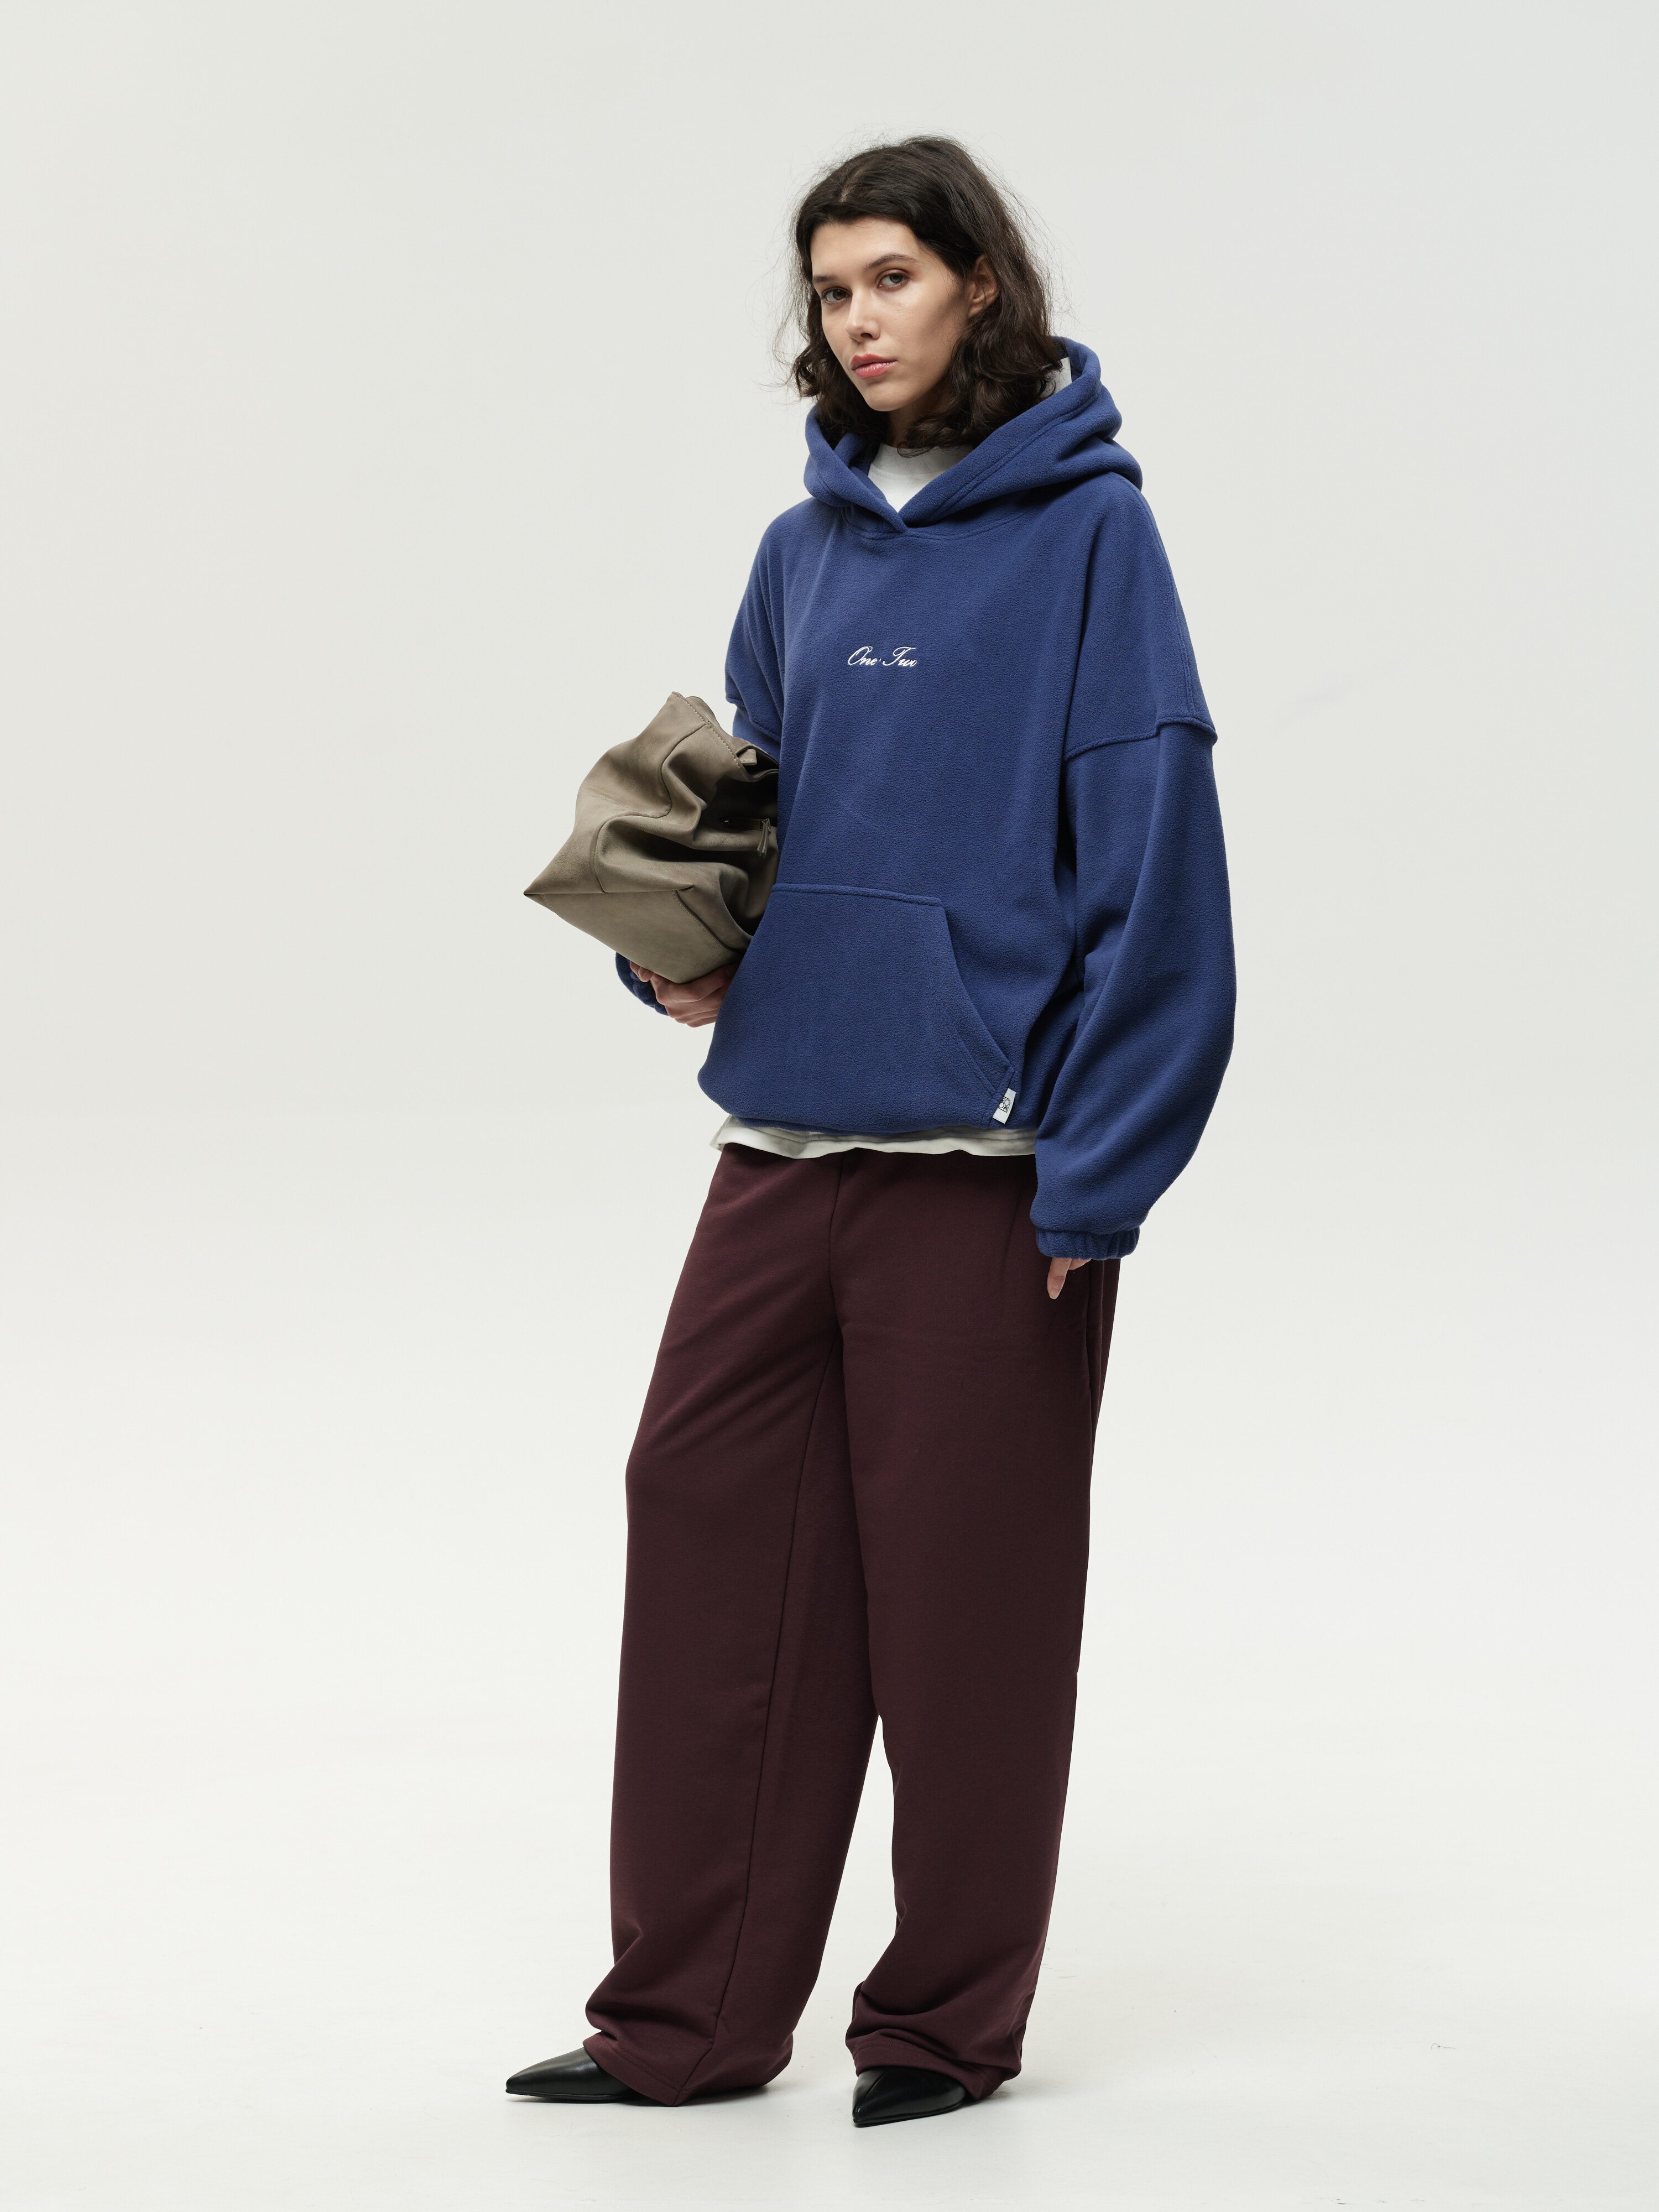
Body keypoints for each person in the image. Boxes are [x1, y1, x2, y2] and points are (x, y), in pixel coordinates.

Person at [508, 135, 1234, 2129]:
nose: (858, 320)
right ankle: (686, 2022)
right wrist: (668, 956)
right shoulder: (801, 547)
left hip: (992, 1180)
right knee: (706, 1549)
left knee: (967, 1605)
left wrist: (1102, 1177)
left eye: (893, 277)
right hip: (784, 1143)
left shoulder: (1093, 540)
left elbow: (1159, 868)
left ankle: (940, 2026)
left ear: (980, 283)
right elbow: (740, 815)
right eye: (832, 291)